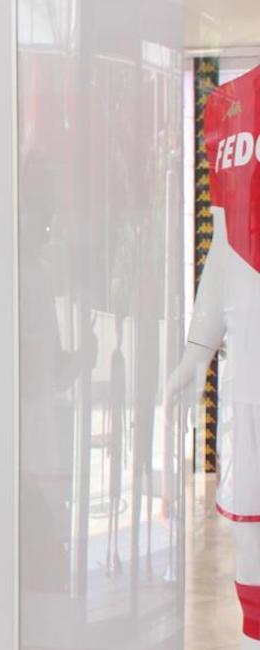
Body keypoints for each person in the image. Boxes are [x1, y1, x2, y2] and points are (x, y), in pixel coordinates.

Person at [166, 65, 260, 649]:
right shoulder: (231, 106)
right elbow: (225, 246)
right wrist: (197, 350)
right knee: (253, 524)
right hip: (252, 367)